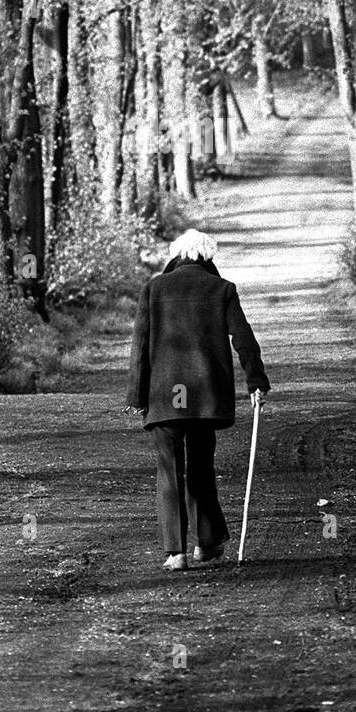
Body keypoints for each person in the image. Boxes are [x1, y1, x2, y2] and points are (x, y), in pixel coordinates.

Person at [126, 228, 270, 571]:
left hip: (163, 396)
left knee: (169, 472)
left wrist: (136, 393)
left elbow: (140, 346)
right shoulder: (221, 289)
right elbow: (243, 338)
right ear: (207, 257)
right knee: (201, 467)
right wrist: (256, 380)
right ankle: (206, 544)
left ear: (176, 256)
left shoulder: (153, 289)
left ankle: (175, 552)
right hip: (205, 399)